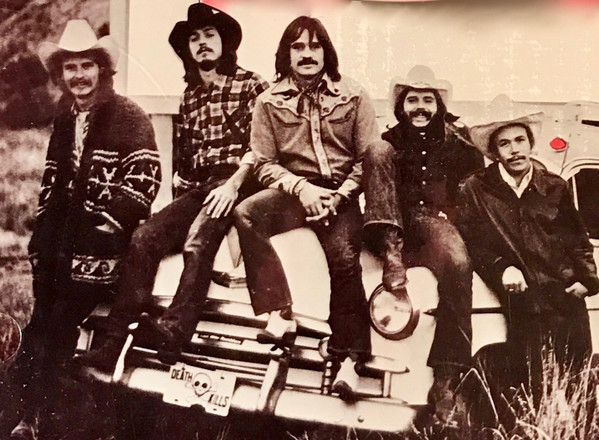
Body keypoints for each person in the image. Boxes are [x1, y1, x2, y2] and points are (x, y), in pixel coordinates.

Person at [78, 3, 268, 371]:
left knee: (198, 241)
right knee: (145, 237)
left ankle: (172, 334)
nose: (202, 43)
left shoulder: (252, 84)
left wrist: (233, 186)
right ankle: (113, 341)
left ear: (225, 42)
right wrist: (173, 214)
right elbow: (186, 163)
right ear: (188, 50)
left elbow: (263, 149)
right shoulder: (191, 96)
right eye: (194, 38)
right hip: (202, 187)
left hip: (242, 183)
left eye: (209, 35)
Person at [7, 19, 161, 438]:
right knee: (40, 327)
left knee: (58, 327)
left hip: (102, 250)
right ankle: (30, 415)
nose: (78, 76)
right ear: (61, 74)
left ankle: (46, 419)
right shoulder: (65, 119)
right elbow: (52, 181)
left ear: (102, 70)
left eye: (86, 66)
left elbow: (145, 178)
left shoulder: (129, 115)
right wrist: (41, 236)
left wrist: (106, 225)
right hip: (59, 249)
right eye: (70, 67)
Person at [233, 16, 379, 400]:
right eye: (298, 47)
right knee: (246, 213)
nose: (307, 54)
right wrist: (302, 188)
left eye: (315, 46)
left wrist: (339, 196)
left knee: (345, 260)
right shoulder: (268, 101)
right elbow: (264, 163)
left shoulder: (354, 95)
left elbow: (368, 160)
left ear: (326, 51)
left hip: (340, 194)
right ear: (287, 54)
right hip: (294, 193)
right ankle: (279, 311)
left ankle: (348, 360)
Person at [361, 66, 484, 419]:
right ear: (401, 106)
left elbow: (474, 189)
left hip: (431, 224)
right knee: (376, 151)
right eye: (412, 99)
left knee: (458, 263)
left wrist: (453, 217)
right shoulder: (387, 141)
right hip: (388, 221)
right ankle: (391, 255)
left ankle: (446, 378)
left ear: (438, 106)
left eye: (427, 100)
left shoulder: (460, 146)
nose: (419, 107)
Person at [457, 112, 598, 402]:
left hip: (566, 294)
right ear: (495, 152)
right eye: (504, 143)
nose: (514, 150)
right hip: (523, 299)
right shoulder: (476, 188)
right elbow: (472, 243)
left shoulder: (554, 186)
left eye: (520, 140)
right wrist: (502, 269)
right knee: (531, 387)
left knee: (578, 384)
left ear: (530, 144)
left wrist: (588, 280)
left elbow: (577, 239)